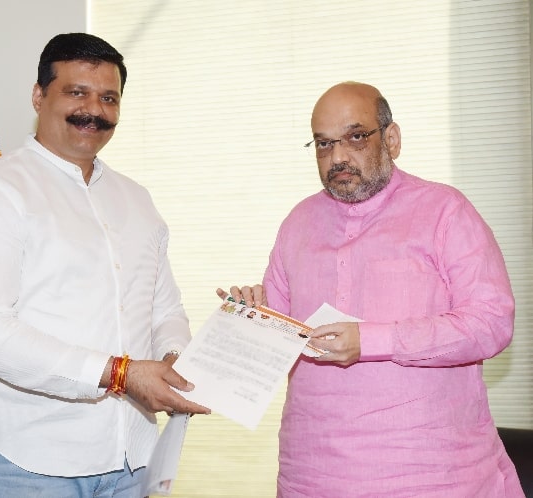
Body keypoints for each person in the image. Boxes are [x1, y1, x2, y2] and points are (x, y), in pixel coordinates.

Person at [0, 32, 210, 498]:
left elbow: (163, 309)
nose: (95, 110)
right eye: (76, 92)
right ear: (39, 96)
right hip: (24, 462)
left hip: (132, 459)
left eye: (109, 98)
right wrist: (122, 373)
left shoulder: (136, 199)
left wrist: (174, 358)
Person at [219, 82, 524, 497]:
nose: (338, 157)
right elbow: (279, 338)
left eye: (356, 136)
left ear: (392, 139)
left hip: (434, 476)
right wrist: (253, 314)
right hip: (311, 475)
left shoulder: (445, 211)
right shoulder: (298, 223)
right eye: (324, 144)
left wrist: (372, 339)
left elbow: (491, 323)